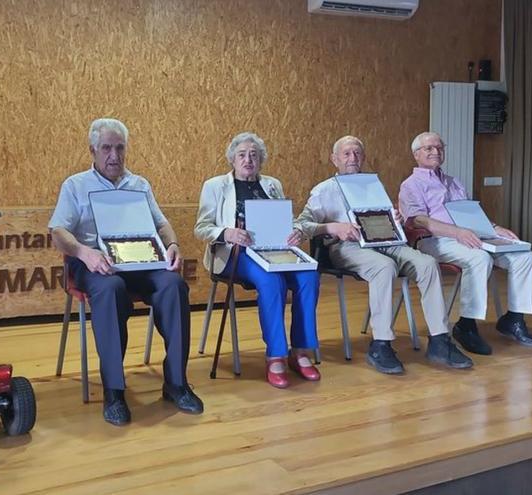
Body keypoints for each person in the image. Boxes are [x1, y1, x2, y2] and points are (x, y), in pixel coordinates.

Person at [48, 117, 203, 426]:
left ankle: (176, 383)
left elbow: (161, 223)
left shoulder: (139, 184)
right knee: (110, 289)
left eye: (119, 148)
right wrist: (84, 252)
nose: (114, 156)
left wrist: (172, 244)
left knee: (174, 286)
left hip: (140, 260)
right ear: (92, 150)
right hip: (96, 262)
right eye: (106, 148)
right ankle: (114, 391)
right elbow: (58, 232)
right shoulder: (75, 185)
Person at [297, 136, 473, 374]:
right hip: (348, 246)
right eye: (347, 154)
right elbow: (302, 225)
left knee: (427, 264)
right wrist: (333, 227)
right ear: (334, 159)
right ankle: (381, 343)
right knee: (384, 267)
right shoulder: (324, 190)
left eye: (357, 153)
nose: (353, 158)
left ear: (364, 157)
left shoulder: (373, 185)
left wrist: (395, 219)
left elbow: (386, 219)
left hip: (387, 242)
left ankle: (440, 339)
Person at [194, 132, 320, 389]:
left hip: (273, 251)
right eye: (242, 155)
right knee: (271, 280)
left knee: (309, 276)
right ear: (232, 159)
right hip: (236, 254)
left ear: (261, 159)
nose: (248, 159)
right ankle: (276, 355)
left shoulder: (272, 184)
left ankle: (301, 350)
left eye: (254, 155)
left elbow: (286, 218)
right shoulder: (216, 186)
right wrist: (227, 233)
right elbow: (201, 227)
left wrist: (296, 230)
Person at [399, 131, 532, 356]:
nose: (436, 151)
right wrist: (457, 232)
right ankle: (466, 324)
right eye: (429, 148)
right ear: (416, 154)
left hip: (470, 236)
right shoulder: (411, 185)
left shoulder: (454, 182)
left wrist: (494, 228)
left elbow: (471, 213)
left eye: (440, 148)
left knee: (523, 255)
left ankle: (514, 318)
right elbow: (418, 220)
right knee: (479, 258)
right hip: (434, 240)